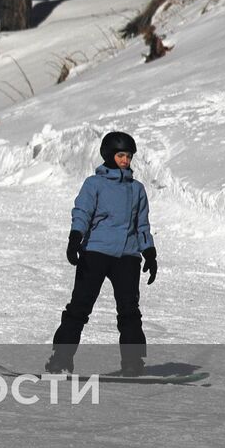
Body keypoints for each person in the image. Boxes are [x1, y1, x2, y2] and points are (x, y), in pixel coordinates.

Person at [45, 131, 158, 376]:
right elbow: (82, 211)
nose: (125, 160)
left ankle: (133, 361)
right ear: (108, 155)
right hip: (95, 251)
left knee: (129, 311)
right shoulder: (94, 184)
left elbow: (142, 224)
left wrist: (149, 252)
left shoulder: (137, 189)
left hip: (127, 256)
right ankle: (61, 358)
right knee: (79, 307)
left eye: (128, 156)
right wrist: (75, 238)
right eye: (120, 155)